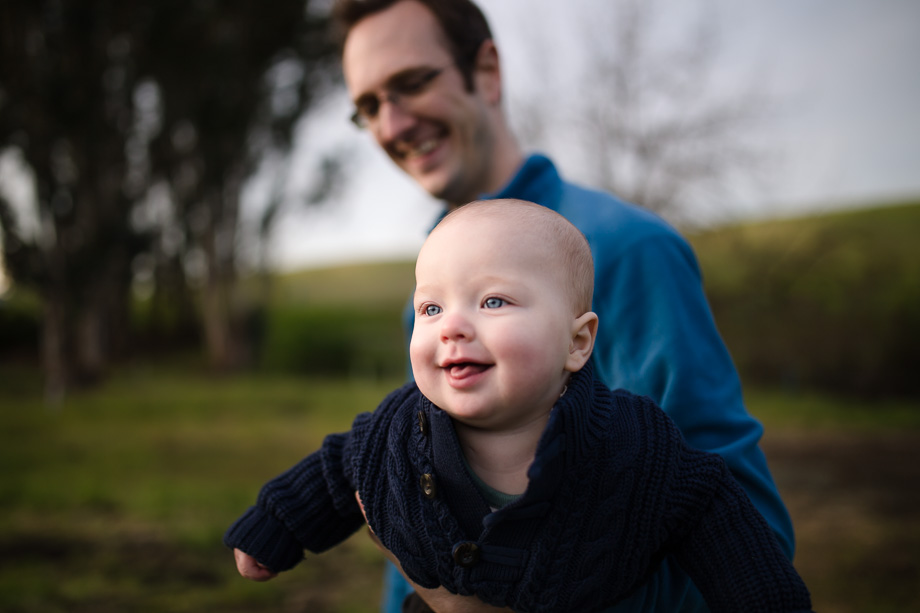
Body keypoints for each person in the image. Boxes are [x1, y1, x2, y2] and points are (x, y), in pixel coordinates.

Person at [236, 0, 798, 611]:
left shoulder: (627, 250)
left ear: (487, 71)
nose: (391, 125)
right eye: (367, 107)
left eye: (412, 83)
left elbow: (745, 526)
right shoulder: (436, 281)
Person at [224, 200, 812, 613]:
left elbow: (709, 507)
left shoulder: (634, 443)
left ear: (577, 342)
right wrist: (275, 526)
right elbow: (336, 468)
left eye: (494, 300)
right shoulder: (395, 431)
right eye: (431, 309)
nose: (452, 326)